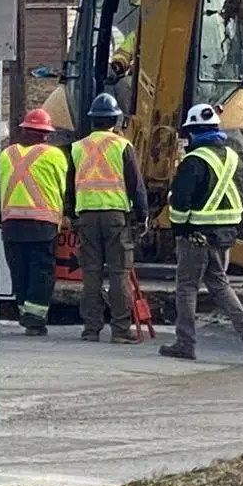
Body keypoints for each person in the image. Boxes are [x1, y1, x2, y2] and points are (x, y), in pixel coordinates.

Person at [160, 103, 243, 364]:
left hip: (197, 235)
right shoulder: (232, 157)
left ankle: (185, 343)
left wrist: (181, 230)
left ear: (194, 132)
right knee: (219, 284)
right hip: (225, 235)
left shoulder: (194, 161)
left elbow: (181, 203)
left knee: (186, 287)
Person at [70, 93, 148, 342]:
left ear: (92, 120)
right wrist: (142, 216)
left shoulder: (77, 148)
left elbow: (69, 187)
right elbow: (136, 185)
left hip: (86, 217)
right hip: (116, 217)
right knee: (118, 273)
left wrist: (71, 215)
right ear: (115, 120)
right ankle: (120, 330)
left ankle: (91, 329)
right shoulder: (123, 146)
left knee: (91, 273)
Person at [0, 107, 68, 336]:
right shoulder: (55, 155)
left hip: (11, 223)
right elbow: (62, 188)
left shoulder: (6, 155)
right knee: (41, 271)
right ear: (46, 134)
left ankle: (25, 313)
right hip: (42, 224)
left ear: (24, 131)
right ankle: (35, 319)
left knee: (19, 270)